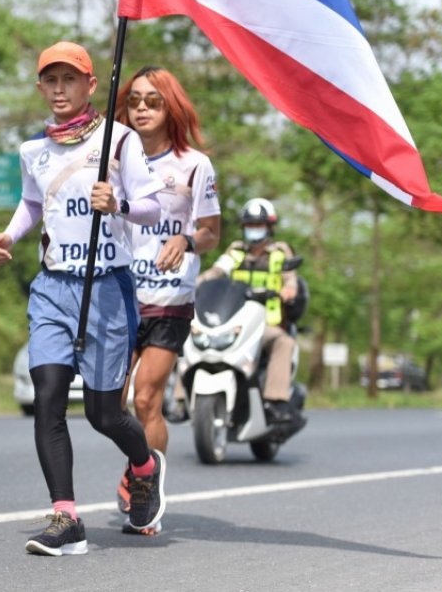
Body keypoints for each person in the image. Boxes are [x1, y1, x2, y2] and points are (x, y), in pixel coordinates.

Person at [0, 41, 168, 556]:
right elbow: (32, 203)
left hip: (108, 287)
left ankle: (144, 466)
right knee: (46, 396)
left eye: (70, 79)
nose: (59, 89)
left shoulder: (120, 141)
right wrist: (9, 237)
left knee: (104, 414)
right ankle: (66, 517)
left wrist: (121, 204)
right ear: (41, 87)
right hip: (53, 288)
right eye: (51, 80)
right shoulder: (32, 151)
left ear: (91, 86)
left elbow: (153, 208)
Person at [113, 66, 221, 535]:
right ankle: (142, 466)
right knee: (109, 404)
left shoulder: (194, 164)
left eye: (152, 101)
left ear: (169, 107)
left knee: (146, 398)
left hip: (169, 298)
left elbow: (212, 231)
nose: (141, 108)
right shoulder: (113, 160)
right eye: (134, 99)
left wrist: (187, 240)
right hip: (117, 291)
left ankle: (143, 495)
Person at [198, 197, 303, 426]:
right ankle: (178, 397)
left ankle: (276, 402)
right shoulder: (236, 251)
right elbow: (217, 271)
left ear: (269, 227)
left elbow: (290, 280)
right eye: (249, 225)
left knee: (284, 343)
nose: (253, 230)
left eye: (258, 225)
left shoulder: (280, 252)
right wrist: (196, 283)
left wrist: (288, 290)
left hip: (267, 324)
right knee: (194, 334)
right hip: (234, 320)